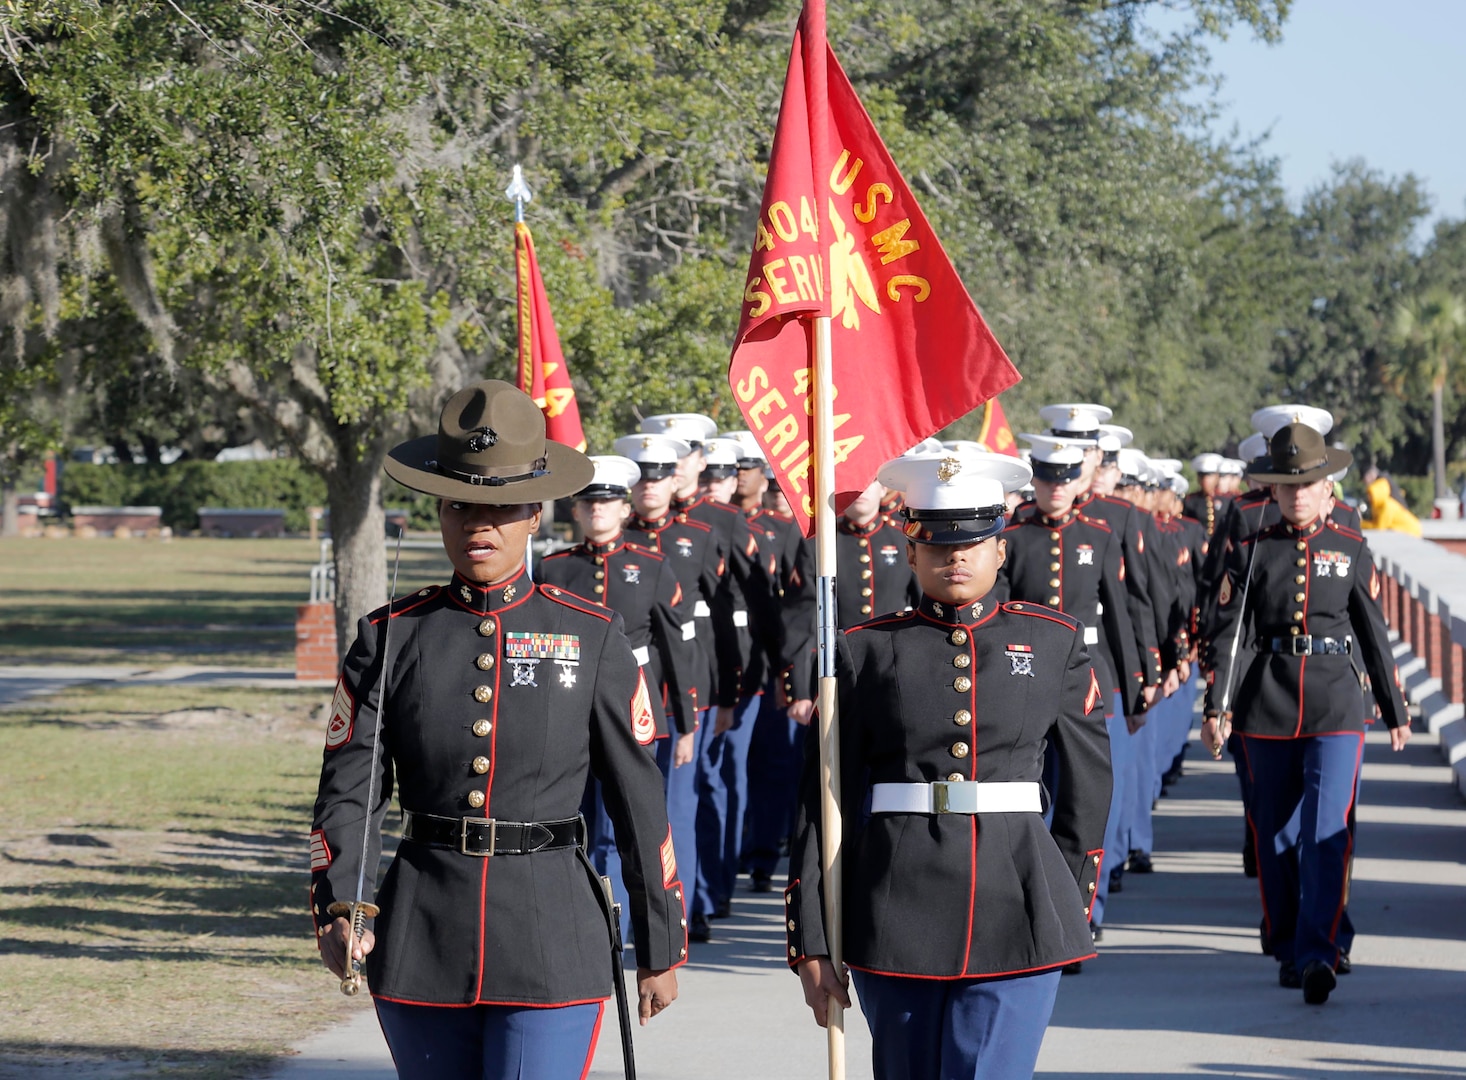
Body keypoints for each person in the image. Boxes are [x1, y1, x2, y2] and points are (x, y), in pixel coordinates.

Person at [310, 380, 682, 1079]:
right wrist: (342, 903)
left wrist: (661, 940)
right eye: (461, 505)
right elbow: (351, 789)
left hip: (551, 933)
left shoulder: (592, 636)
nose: (478, 523)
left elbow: (638, 801)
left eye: (499, 506)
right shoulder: (390, 637)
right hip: (423, 932)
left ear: (535, 513)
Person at [789, 448, 1111, 1079]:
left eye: (972, 542)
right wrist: (815, 937)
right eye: (936, 545)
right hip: (895, 906)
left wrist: (1067, 896)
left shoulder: (1053, 642)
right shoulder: (864, 651)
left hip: (1019, 900)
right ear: (910, 552)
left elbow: (1087, 784)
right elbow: (822, 802)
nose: (955, 557)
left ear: (1000, 549)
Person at [1202, 420, 1409, 1006]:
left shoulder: (1350, 549)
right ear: (1273, 491)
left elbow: (1373, 632)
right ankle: (1289, 942)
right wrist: (1218, 707)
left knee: (1325, 831)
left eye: (1308, 485)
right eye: (1286, 486)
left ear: (1327, 489)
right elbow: (1233, 637)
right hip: (1266, 702)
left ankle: (1319, 951)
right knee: (1276, 835)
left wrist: (1393, 709)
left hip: (1337, 701)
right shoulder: (1251, 548)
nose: (1296, 495)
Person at [534, 453, 699, 944]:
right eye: (589, 504)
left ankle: (619, 922)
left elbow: (676, 647)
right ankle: (584, 916)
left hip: (634, 708)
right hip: (568, 706)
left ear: (624, 510)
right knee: (574, 818)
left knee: (624, 820)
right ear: (576, 511)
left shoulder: (651, 565)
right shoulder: (554, 566)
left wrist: (685, 722)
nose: (598, 511)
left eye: (607, 502)